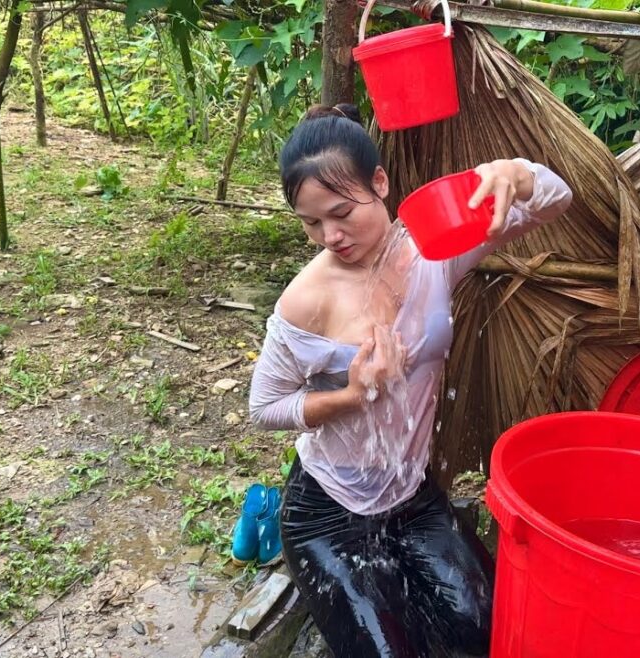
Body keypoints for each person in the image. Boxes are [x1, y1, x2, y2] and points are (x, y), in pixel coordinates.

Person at [249, 103, 573, 658]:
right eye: (311, 223)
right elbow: (265, 407)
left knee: (486, 628)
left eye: (341, 212)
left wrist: (516, 174)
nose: (331, 235)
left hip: (412, 495)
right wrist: (351, 395)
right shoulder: (307, 299)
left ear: (380, 182)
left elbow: (557, 199)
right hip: (328, 510)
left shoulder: (433, 250)